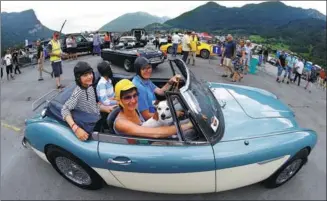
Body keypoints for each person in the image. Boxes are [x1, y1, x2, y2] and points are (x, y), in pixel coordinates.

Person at [113, 79, 193, 138]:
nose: (133, 100)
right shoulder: (120, 123)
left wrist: (171, 110)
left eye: (135, 95)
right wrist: (187, 125)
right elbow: (156, 133)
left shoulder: (134, 109)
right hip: (142, 149)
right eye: (127, 97)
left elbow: (153, 115)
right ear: (119, 100)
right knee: (189, 133)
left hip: (149, 137)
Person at [61, 61, 117, 141]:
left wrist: (105, 108)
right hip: (88, 125)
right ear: (78, 78)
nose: (90, 77)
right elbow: (64, 109)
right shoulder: (78, 92)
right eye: (85, 75)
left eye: (90, 73)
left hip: (96, 120)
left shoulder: (90, 87)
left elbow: (93, 105)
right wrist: (76, 129)